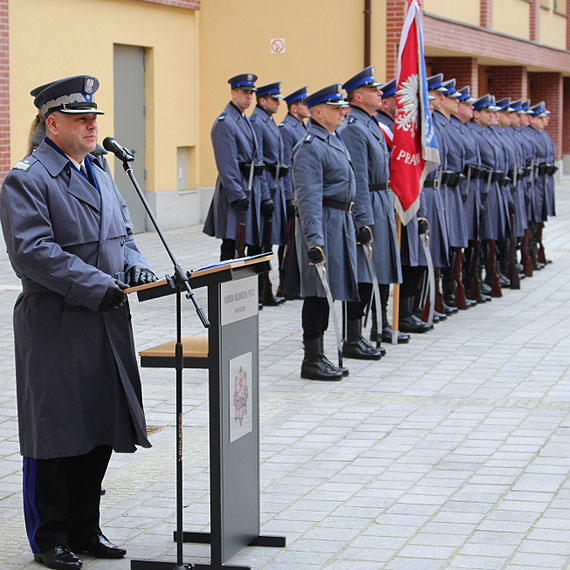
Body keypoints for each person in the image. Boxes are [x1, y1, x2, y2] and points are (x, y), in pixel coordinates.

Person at [0, 75, 157, 570]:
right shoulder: (27, 178)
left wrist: (134, 263)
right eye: (81, 118)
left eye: (95, 117)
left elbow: (124, 230)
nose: (93, 125)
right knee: (56, 434)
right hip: (58, 320)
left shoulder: (99, 168)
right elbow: (33, 253)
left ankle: (87, 529)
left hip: (105, 318)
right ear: (52, 123)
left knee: (99, 426)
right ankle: (50, 537)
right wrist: (98, 284)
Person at [292, 83, 357, 381]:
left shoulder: (333, 139)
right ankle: (312, 357)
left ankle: (321, 355)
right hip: (323, 225)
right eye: (335, 108)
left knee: (329, 291)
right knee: (318, 293)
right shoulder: (309, 147)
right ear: (318, 112)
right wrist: (314, 241)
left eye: (342, 106)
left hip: (339, 222)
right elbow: (308, 198)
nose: (343, 111)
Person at [338, 66, 402, 358]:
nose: (381, 93)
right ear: (358, 96)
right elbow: (359, 178)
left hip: (381, 200)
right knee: (363, 273)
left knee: (381, 267)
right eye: (374, 90)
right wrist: (363, 219)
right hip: (369, 204)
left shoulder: (370, 123)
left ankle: (378, 324)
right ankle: (353, 337)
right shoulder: (354, 127)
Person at [203, 73, 269, 262]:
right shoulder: (226, 122)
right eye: (245, 92)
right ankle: (227, 289)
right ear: (233, 93)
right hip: (236, 190)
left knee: (252, 242)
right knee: (232, 243)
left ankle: (253, 288)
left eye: (251, 93)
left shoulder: (242, 119)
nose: (249, 97)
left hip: (250, 187)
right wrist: (237, 194)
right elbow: (227, 164)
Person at [249, 81, 286, 305]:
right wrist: (264, 196)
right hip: (266, 186)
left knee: (267, 242)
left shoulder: (268, 121)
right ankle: (260, 291)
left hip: (275, 185)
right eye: (274, 99)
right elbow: (259, 161)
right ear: (263, 101)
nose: (278, 103)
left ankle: (265, 290)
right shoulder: (257, 122)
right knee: (260, 243)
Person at [277, 86, 310, 300]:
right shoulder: (286, 128)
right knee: (289, 241)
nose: (308, 107)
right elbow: (287, 166)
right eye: (304, 104)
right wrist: (290, 197)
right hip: (293, 192)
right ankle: (285, 285)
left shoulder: (301, 126)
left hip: (300, 192)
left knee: (298, 240)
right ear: (294, 107)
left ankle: (294, 283)